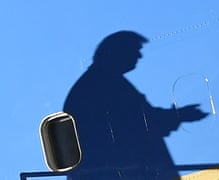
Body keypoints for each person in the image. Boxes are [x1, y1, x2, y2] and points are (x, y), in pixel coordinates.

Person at [63, 31, 208, 180]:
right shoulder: (102, 86)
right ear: (118, 52)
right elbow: (140, 124)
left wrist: (175, 116)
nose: (139, 56)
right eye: (135, 50)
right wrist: (177, 116)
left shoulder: (101, 83)